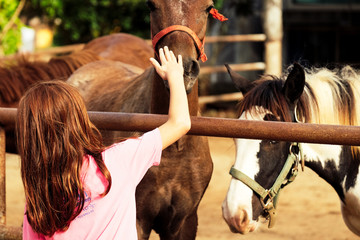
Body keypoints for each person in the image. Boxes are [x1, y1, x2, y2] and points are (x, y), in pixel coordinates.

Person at [16, 46, 190, 239]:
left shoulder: (38, 201)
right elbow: (180, 123)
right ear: (80, 120)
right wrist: (175, 77)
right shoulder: (119, 159)